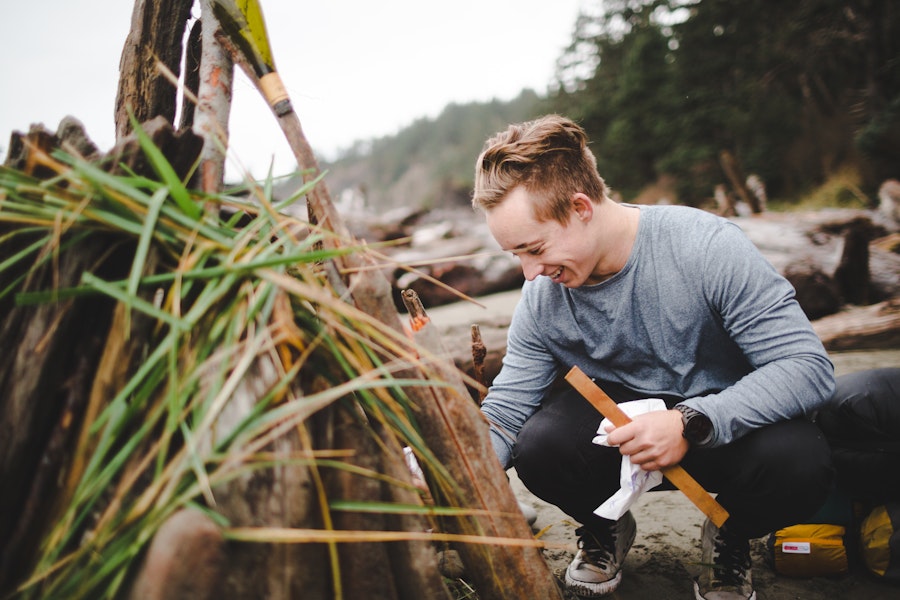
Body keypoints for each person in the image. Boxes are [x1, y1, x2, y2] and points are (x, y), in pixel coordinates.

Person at [471, 114, 836, 599]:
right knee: (538, 447)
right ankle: (605, 524)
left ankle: (731, 532)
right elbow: (504, 414)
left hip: (723, 431)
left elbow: (808, 367)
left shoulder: (706, 248)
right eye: (515, 255)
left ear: (580, 207)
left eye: (534, 248)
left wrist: (690, 422)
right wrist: (452, 470)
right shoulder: (543, 299)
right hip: (618, 445)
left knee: (803, 461)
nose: (529, 272)